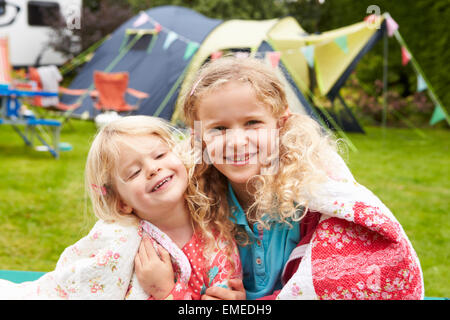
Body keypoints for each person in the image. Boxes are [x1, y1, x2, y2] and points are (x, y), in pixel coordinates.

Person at [181, 56, 424, 300]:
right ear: (198, 135)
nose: (236, 141)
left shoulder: (310, 192)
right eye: (219, 128)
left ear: (281, 124)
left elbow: (324, 282)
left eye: (252, 123)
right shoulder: (196, 198)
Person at [0, 116, 241, 300]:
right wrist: (166, 291)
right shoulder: (125, 243)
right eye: (134, 172)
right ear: (122, 203)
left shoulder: (216, 231)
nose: (152, 169)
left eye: (159, 155)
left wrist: (169, 291)